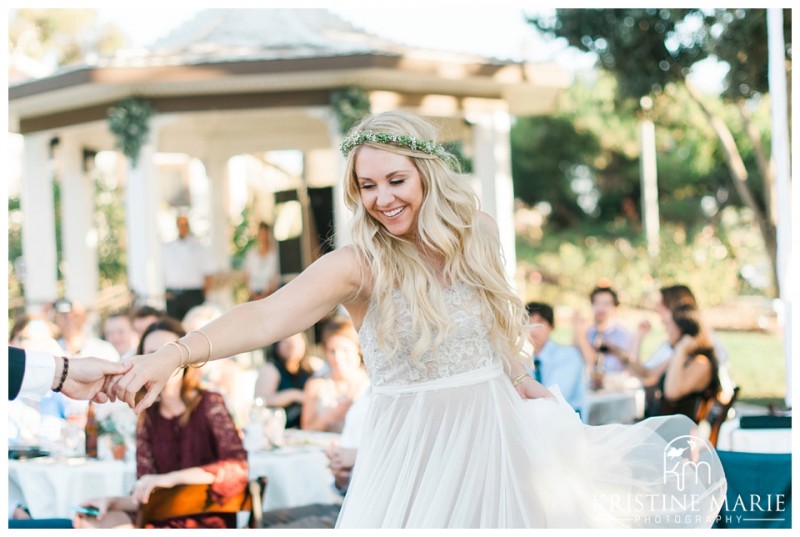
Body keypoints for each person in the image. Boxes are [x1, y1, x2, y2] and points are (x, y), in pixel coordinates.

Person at [109, 111, 725, 528]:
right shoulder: (357, 264)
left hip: (500, 444)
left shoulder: (479, 232)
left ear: (428, 172)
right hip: (411, 459)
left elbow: (498, 330)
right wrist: (172, 355)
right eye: (367, 186)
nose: (382, 199)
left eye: (395, 179)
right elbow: (266, 315)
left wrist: (525, 383)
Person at [74, 317, 248, 529]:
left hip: (204, 518)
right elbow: (148, 491)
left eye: (167, 352)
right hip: (159, 516)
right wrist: (111, 502)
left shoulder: (209, 403)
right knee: (90, 523)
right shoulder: (148, 414)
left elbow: (237, 468)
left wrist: (172, 479)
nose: (158, 362)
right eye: (150, 354)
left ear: (187, 359)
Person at [624, 304, 721, 421]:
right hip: (660, 426)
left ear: (683, 328)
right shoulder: (680, 358)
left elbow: (672, 393)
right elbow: (647, 376)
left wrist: (681, 349)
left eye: (668, 325)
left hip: (677, 435)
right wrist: (638, 337)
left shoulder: (701, 363)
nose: (666, 330)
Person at [301, 317, 369, 432]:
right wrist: (324, 418)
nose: (338, 358)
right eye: (332, 351)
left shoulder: (371, 384)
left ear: (358, 350)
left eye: (344, 350)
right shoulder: (315, 385)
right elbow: (306, 430)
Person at [525, 302, 585, 413]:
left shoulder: (568, 355)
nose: (533, 328)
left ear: (551, 326)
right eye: (529, 323)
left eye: (540, 322)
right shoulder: (524, 361)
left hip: (567, 418)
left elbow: (557, 396)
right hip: (537, 420)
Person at [253, 332, 322, 429]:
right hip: (279, 429)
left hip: (306, 428)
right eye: (286, 341)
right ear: (276, 344)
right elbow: (261, 400)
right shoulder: (271, 369)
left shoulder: (312, 366)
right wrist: (294, 395)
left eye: (296, 340)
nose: (292, 344)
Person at [162, 215, 217, 321]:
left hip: (194, 293)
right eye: (180, 224)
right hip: (173, 293)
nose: (182, 227)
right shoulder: (167, 247)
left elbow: (209, 273)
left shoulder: (199, 247)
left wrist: (205, 295)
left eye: (185, 224)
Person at [52, 298, 120, 362]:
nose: (70, 320)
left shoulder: (104, 349)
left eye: (75, 315)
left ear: (84, 318)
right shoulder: (51, 349)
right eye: (64, 316)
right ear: (56, 319)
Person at [243, 221, 281, 301]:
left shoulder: (274, 256)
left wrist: (266, 294)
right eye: (262, 234)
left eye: (265, 234)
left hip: (269, 295)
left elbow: (275, 278)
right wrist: (253, 294)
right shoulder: (251, 254)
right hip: (253, 296)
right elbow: (247, 275)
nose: (264, 237)